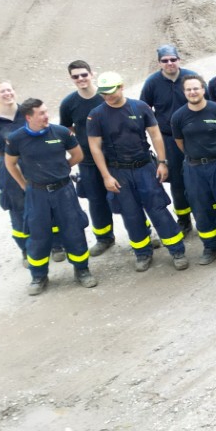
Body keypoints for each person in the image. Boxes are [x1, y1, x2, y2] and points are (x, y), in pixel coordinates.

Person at [86, 72, 188, 271]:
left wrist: (162, 162)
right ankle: (142, 253)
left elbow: (156, 135)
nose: (107, 96)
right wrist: (106, 176)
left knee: (158, 209)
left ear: (121, 87)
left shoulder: (139, 107)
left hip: (144, 168)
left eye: (110, 92)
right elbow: (95, 147)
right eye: (103, 93)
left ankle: (177, 250)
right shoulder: (96, 115)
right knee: (130, 214)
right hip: (118, 171)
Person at [3, 99, 96, 294]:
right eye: (41, 113)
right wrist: (24, 185)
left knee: (73, 230)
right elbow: (10, 163)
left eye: (46, 111)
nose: (47, 116)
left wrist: (63, 169)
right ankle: (38, 277)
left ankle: (82, 270)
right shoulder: (16, 139)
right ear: (29, 117)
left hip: (64, 191)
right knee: (38, 235)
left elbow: (78, 155)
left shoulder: (61, 133)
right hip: (36, 194)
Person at [170, 74, 216, 263]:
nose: (193, 92)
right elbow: (180, 143)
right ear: (184, 92)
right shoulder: (179, 117)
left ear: (203, 89)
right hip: (193, 168)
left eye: (196, 88)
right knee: (200, 208)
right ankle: (211, 248)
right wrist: (196, 156)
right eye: (188, 89)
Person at [56, 62, 118, 256]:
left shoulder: (105, 96)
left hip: (115, 158)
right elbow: (67, 129)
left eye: (84, 75)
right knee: (96, 200)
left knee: (127, 197)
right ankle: (104, 238)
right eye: (75, 77)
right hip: (88, 162)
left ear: (92, 74)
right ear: (71, 79)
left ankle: (145, 233)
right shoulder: (68, 103)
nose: (81, 79)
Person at [139, 43, 194, 226]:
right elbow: (143, 110)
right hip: (168, 139)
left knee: (200, 178)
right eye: (165, 60)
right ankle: (184, 219)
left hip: (194, 137)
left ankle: (215, 217)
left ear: (179, 59)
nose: (169, 63)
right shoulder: (152, 83)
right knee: (177, 181)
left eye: (173, 59)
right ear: (159, 63)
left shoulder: (191, 78)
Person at [0, 79, 30, 260]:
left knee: (45, 203)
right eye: (3, 91)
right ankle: (27, 250)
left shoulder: (27, 112)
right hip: (10, 170)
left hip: (35, 164)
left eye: (9, 90)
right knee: (18, 209)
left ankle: (56, 245)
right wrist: (11, 161)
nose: (7, 94)